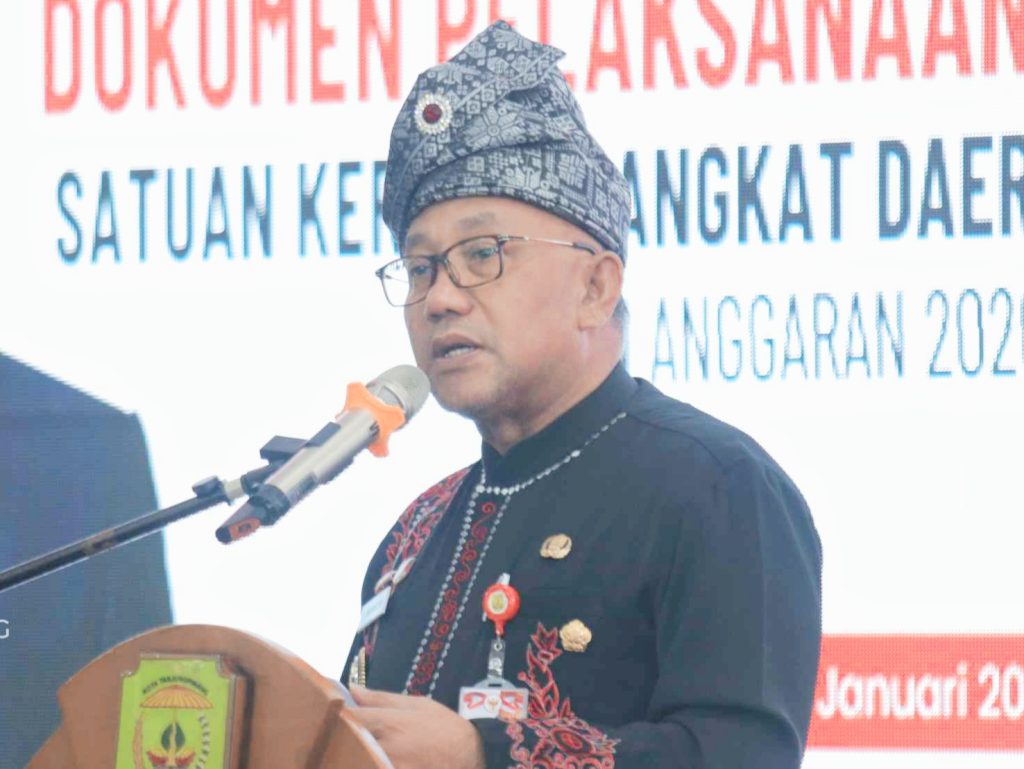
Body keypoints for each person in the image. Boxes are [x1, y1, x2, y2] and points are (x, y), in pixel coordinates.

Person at [343, 20, 822, 769]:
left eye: (481, 254)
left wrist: (483, 756)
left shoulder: (716, 487)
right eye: (420, 267)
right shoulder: (415, 535)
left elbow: (741, 754)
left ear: (596, 287)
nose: (440, 298)